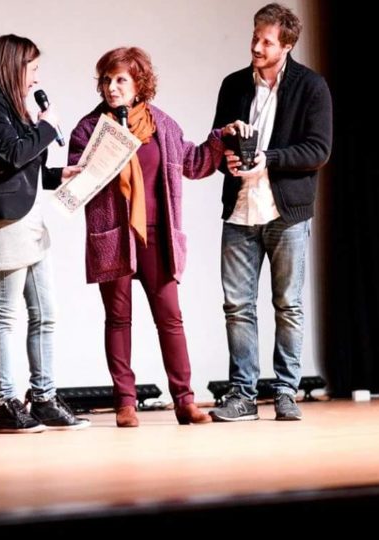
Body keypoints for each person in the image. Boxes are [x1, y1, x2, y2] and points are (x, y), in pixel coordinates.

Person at [68, 46, 246, 427]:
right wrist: (102, 153)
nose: (111, 88)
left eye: (120, 80)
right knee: (118, 319)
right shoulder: (88, 129)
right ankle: (126, 403)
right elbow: (76, 185)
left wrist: (219, 139)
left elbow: (194, 163)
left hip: (157, 236)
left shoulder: (161, 125)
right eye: (106, 80)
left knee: (171, 318)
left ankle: (184, 400)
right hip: (114, 235)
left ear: (139, 84)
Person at [207, 3, 332, 423]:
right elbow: (219, 138)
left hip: (286, 212)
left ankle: (285, 391)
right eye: (254, 37)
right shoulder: (233, 85)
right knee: (237, 305)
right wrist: (226, 153)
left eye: (266, 41)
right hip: (240, 208)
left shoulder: (311, 87)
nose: (257, 47)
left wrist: (269, 158)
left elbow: (319, 150)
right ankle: (242, 394)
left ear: (288, 45)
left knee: (288, 305)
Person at [0, 34, 90, 434]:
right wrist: (46, 126)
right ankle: (6, 403)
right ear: (14, 66)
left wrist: (58, 175)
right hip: (3, 221)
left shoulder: (13, 107)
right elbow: (10, 155)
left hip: (30, 217)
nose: (36, 77)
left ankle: (44, 397)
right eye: (32, 69)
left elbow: (24, 168)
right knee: (5, 313)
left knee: (45, 314)